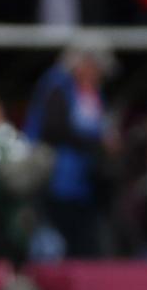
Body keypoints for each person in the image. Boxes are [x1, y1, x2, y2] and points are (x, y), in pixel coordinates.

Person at [22, 35, 118, 259]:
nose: (99, 75)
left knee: (84, 242)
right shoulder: (57, 85)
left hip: (83, 184)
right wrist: (97, 141)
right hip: (54, 179)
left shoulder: (93, 92)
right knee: (57, 241)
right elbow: (54, 128)